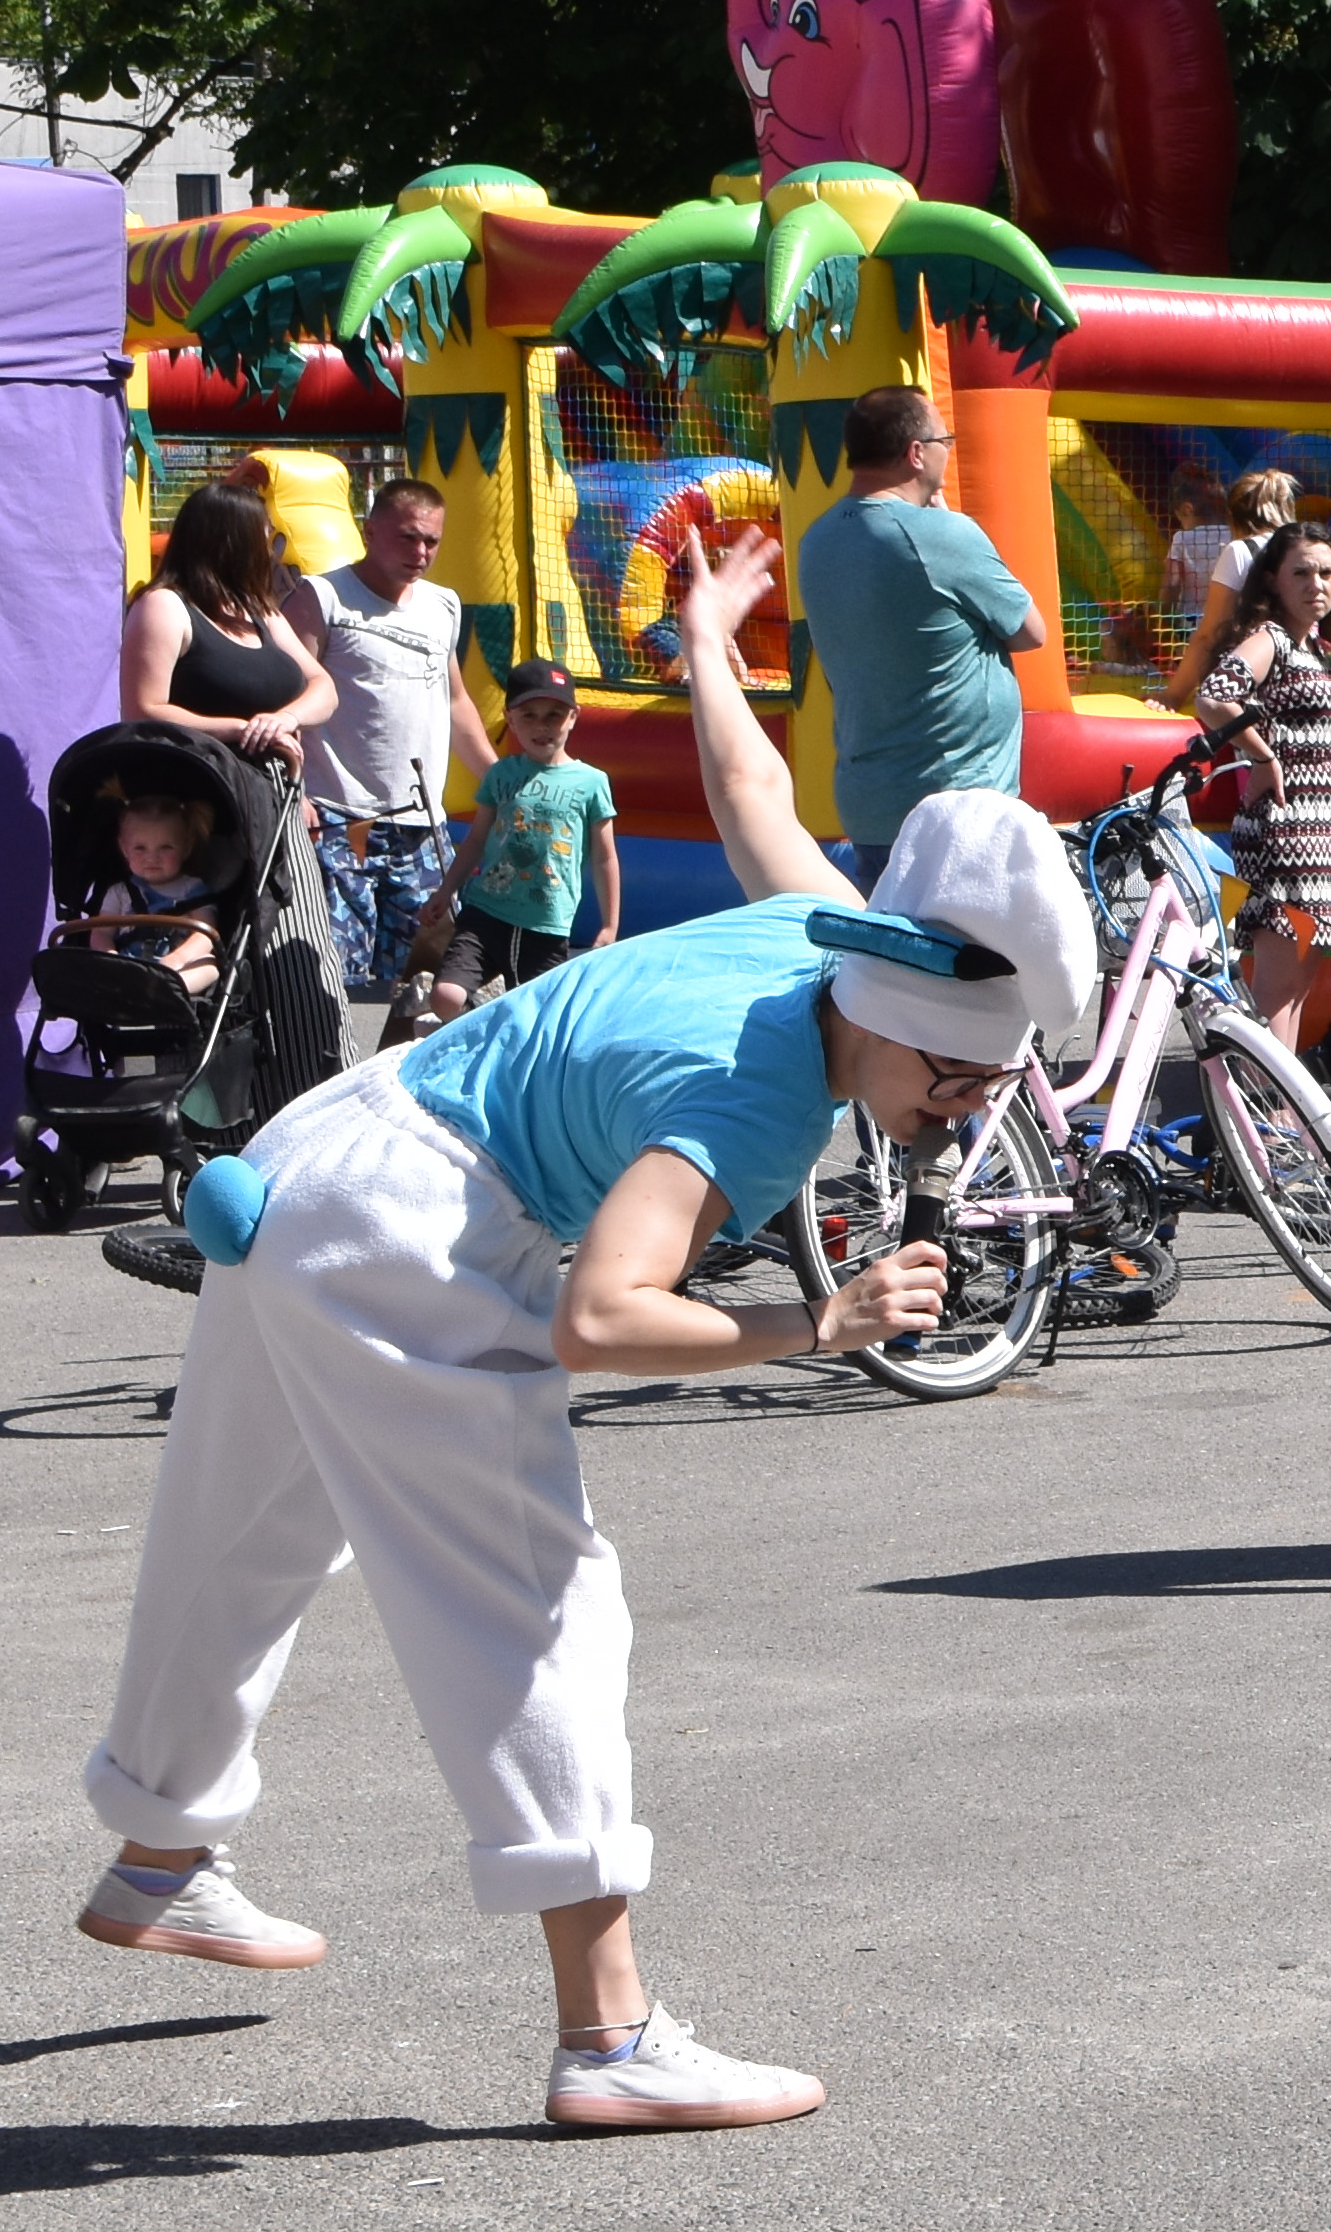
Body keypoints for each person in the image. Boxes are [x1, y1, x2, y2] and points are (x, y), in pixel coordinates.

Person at [72, 525, 1078, 2130]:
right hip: (412, 1228)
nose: (958, 1113)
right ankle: (608, 2041)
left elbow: (752, 792)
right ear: (892, 1023)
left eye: (983, 1086)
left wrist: (705, 639)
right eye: (951, 1081)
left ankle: (158, 1848)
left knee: (250, 1531)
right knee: (538, 1600)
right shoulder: (752, 1109)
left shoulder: (838, 924)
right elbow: (603, 1321)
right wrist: (808, 1326)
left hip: (316, 1162)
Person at [786, 384, 1044, 868]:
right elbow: (1031, 631)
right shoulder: (941, 536)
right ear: (916, 453)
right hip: (956, 807)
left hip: (873, 803)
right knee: (969, 945)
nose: (949, 451)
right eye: (946, 439)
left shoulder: (818, 537)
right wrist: (948, 524)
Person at [301, 475, 497, 998]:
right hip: (341, 818)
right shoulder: (323, 596)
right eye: (407, 537)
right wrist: (294, 792)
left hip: (420, 825)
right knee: (339, 973)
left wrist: (500, 781)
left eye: (431, 540)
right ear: (370, 531)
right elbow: (286, 699)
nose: (421, 551)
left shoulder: (443, 606)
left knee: (425, 971)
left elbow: (455, 701)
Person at [1195, 522, 1331, 1061]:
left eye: (1327, 572)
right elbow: (1214, 696)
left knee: (1296, 993)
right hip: (1287, 831)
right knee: (1276, 994)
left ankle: (1280, 1125)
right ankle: (1255, 1123)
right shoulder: (1273, 638)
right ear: (1273, 580)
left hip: (1324, 833)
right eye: (1302, 572)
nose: (1317, 584)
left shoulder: (1318, 647)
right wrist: (1261, 755)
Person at [398, 659, 618, 1032]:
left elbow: (604, 858)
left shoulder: (591, 782)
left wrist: (610, 925)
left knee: (535, 1020)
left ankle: (500, 1035)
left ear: (573, 717)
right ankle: (479, 1012)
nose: (541, 726)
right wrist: (446, 890)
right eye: (528, 715)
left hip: (546, 923)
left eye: (554, 715)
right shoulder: (501, 775)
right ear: (510, 718)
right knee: (446, 997)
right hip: (487, 913)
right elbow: (477, 840)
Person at [121, 473, 330, 769]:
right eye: (265, 537)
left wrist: (285, 719)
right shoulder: (164, 606)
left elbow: (323, 686)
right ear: (236, 542)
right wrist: (241, 730)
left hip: (273, 794)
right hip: (200, 792)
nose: (270, 553)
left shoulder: (261, 612)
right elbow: (144, 709)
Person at [74, 784, 231, 991]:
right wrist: (111, 958)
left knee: (210, 966)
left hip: (177, 966)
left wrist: (177, 959)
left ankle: (166, 992)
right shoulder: (119, 892)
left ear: (186, 847)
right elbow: (102, 933)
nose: (152, 857)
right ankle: (132, 991)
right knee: (87, 964)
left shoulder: (193, 889)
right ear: (124, 848)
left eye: (166, 847)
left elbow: (206, 934)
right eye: (140, 848)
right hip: (128, 964)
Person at [1173, 465, 1306, 698]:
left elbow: (1209, 634)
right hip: (1306, 670)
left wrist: (1172, 696)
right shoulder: (1309, 547)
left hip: (1258, 678)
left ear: (1233, 517)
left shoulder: (1241, 551)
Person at [1159, 471, 1247, 670]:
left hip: (1192, 625)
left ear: (1187, 509)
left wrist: (1163, 616)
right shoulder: (1236, 536)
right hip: (1230, 623)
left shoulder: (1182, 539)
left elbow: (1172, 585)